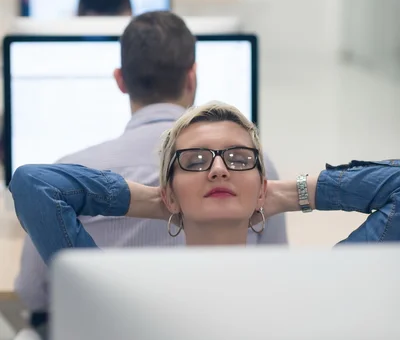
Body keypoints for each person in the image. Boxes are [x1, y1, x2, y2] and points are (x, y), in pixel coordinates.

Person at [15, 12, 287, 320]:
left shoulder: (67, 181)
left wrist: (139, 202)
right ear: (192, 77)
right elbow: (271, 276)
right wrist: (302, 194)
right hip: (223, 336)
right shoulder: (250, 171)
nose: (217, 171)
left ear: (120, 80)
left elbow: (33, 293)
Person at [9, 101, 400, 264]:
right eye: (194, 161)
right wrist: (157, 200)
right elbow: (35, 185)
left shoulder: (312, 286)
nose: (218, 170)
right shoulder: (119, 293)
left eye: (239, 159)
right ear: (168, 192)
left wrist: (286, 193)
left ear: (263, 187)